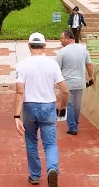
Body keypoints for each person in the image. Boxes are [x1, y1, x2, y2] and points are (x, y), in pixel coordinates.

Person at [15, 32, 69, 186]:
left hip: (30, 107)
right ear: (44, 46)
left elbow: (19, 92)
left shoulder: (22, 65)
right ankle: (52, 169)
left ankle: (35, 176)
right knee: (50, 143)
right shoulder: (52, 64)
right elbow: (65, 90)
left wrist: (16, 116)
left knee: (31, 141)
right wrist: (62, 106)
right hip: (48, 107)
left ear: (29, 46)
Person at [55, 29, 94, 135]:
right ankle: (75, 123)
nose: (60, 41)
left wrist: (56, 82)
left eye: (62, 38)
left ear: (68, 39)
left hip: (67, 83)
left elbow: (56, 69)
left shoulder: (62, 52)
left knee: (70, 105)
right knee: (77, 105)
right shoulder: (83, 49)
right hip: (80, 82)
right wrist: (91, 77)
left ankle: (73, 128)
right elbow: (89, 64)